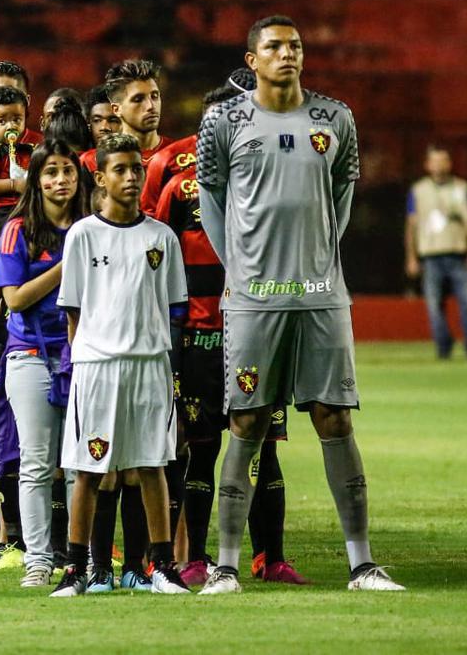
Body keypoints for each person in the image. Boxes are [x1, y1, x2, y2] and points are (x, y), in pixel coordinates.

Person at [196, 14, 404, 593]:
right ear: (251, 61)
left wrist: (315, 261)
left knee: (333, 417)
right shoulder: (224, 120)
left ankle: (362, 564)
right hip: (254, 300)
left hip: (320, 295)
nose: (287, 53)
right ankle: (228, 565)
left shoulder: (335, 117)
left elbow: (342, 195)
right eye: (274, 47)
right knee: (248, 420)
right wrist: (239, 266)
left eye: (295, 45)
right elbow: (212, 198)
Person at [152, 85, 303, 588]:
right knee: (202, 446)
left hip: (260, 335)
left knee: (266, 449)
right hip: (201, 338)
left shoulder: (276, 176)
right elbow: (155, 255)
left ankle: (271, 557)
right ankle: (195, 556)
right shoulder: (176, 179)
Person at [52, 133, 191, 597]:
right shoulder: (82, 235)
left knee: (152, 465)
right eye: (121, 170)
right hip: (96, 367)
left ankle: (162, 568)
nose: (131, 177)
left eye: (137, 169)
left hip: (150, 365)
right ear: (101, 176)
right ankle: (76, 570)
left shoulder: (161, 236)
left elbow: (172, 307)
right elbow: (72, 309)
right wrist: (83, 360)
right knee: (89, 470)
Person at [0, 139, 90, 588]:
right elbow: (14, 299)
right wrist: (68, 264)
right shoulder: (17, 230)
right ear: (36, 179)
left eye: (67, 171)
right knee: (35, 462)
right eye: (50, 172)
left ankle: (78, 560)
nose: (60, 180)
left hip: (85, 354)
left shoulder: (93, 226)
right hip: (30, 355)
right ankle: (36, 559)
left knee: (78, 464)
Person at [0, 86, 44, 355]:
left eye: (17, 119)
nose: (10, 126)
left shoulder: (33, 149)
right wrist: (14, 184)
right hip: (1, 216)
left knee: (26, 270)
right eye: (2, 121)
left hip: (28, 216)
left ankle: (19, 321)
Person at [405, 145, 467, 359]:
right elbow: (411, 226)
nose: (439, 166)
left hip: (459, 253)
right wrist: (411, 257)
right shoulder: (418, 191)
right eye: (435, 161)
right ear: (427, 165)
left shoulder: (462, 188)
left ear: (449, 164)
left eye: (443, 161)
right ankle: (443, 348)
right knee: (433, 306)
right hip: (430, 256)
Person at [81, 60, 173, 174]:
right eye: (138, 99)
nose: (151, 106)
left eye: (154, 96)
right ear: (117, 109)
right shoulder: (91, 163)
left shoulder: (179, 157)